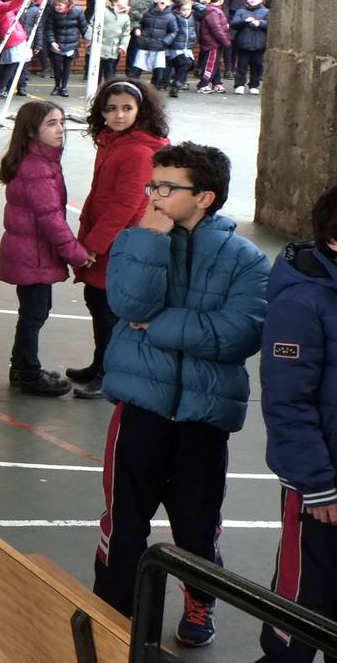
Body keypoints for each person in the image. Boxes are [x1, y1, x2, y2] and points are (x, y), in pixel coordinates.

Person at [92, 142, 270, 648]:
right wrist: (151, 242)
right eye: (154, 185)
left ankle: (200, 598)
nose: (154, 196)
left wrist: (160, 325)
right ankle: (112, 610)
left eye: (168, 188)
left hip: (204, 414)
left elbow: (239, 335)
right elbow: (127, 303)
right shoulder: (136, 239)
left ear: (205, 198)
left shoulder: (246, 259)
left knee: (196, 522)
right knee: (125, 521)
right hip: (140, 408)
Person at [257, 182, 337, 663]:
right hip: (321, 490)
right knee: (301, 608)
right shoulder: (301, 303)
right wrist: (317, 485)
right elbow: (287, 402)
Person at [67, 81, 170, 397]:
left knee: (109, 312)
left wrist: (92, 247)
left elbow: (125, 207)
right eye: (111, 108)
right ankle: (100, 364)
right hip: (109, 242)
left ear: (141, 110)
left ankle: (110, 374)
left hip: (117, 246)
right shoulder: (115, 142)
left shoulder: (137, 151)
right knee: (98, 305)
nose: (118, 115)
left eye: (127, 108)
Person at [0, 101, 86, 397]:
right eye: (51, 123)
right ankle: (29, 373)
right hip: (32, 256)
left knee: (34, 312)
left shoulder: (42, 161)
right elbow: (52, 221)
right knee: (34, 314)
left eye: (61, 122)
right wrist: (77, 255)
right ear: (32, 131)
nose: (60, 129)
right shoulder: (37, 169)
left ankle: (21, 367)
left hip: (31, 253)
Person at [230, 0, 268, 95]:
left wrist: (260, 23)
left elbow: (270, 25)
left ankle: (254, 85)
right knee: (241, 66)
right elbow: (234, 24)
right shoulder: (241, 11)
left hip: (259, 45)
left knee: (257, 66)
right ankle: (239, 85)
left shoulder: (266, 12)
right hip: (243, 44)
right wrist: (244, 21)